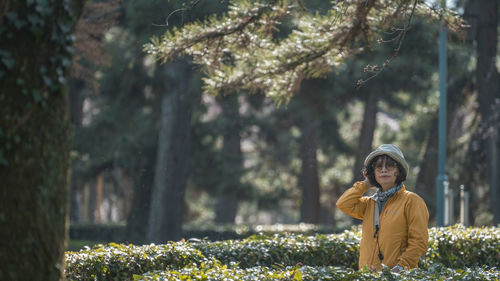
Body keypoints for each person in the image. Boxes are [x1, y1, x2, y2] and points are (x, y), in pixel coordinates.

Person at [336, 144, 429, 272]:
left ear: (399, 171)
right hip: (367, 276)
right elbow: (343, 203)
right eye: (378, 166)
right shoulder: (370, 203)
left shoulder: (412, 201)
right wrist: (366, 183)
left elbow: (419, 242)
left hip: (397, 277)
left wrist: (401, 268)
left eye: (390, 165)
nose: (384, 170)